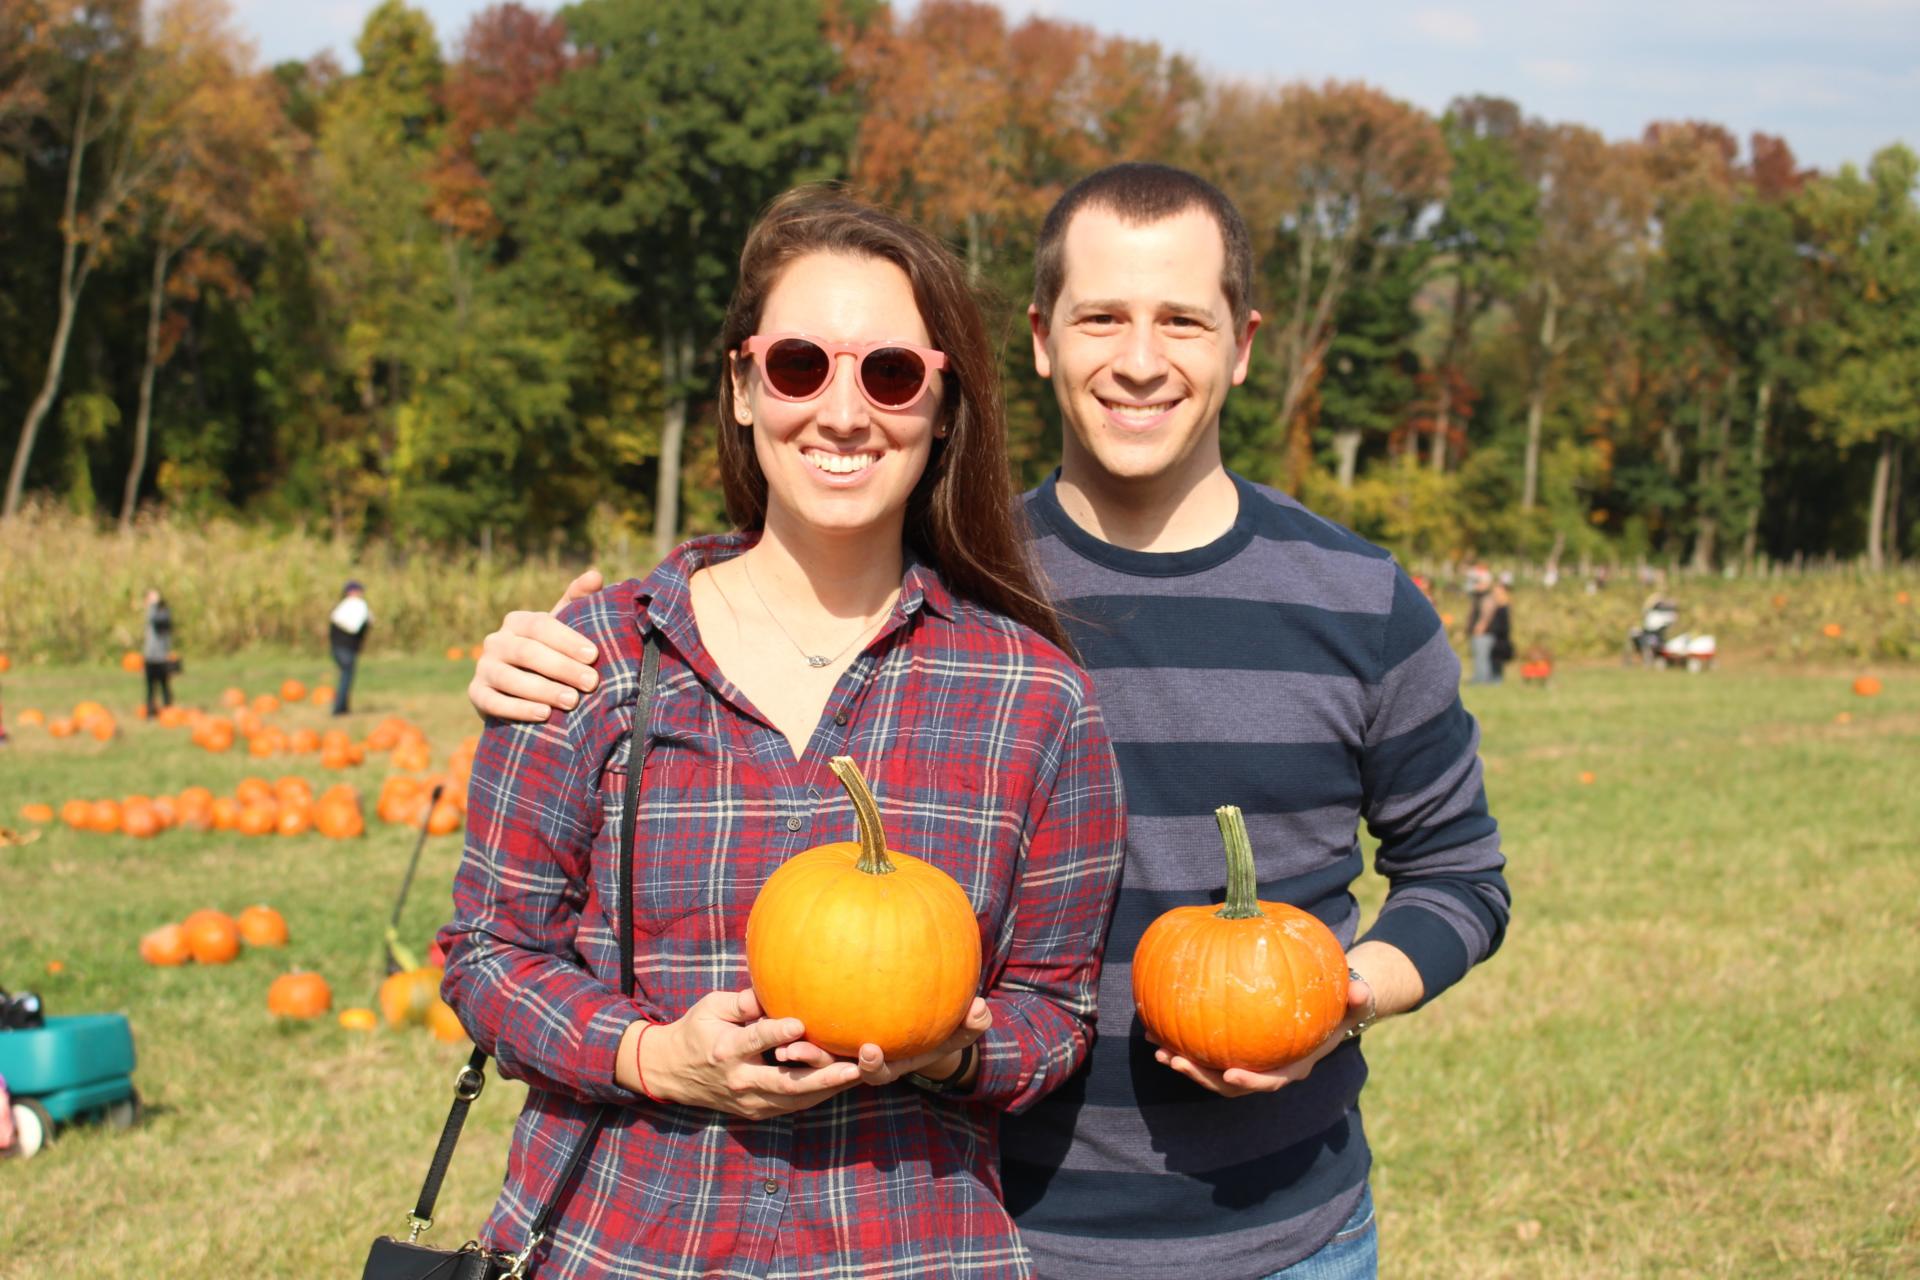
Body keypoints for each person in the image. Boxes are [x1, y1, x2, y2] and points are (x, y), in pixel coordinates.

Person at [472, 164, 1511, 1279]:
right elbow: (776, 590)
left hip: (1283, 1229)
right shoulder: (965, 579)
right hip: (1008, 1222)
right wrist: (558, 652)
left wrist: (1335, 998)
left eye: (1183, 320)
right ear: (1040, 337)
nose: (1143, 358)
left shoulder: (1353, 601)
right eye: (1103, 315)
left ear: (1244, 342)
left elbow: (1459, 873)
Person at [439, 188, 1126, 1279]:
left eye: (891, 373)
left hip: (905, 1253)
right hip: (618, 1243)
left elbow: (1055, 1011)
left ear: (945, 407)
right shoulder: (599, 657)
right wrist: (655, 1054)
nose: (845, 412)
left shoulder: (1033, 701)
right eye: (802, 363)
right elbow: (487, 951)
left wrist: (955, 1050)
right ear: (746, 386)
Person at [326, 581, 370, 715]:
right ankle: (339, 708)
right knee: (346, 676)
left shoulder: (342, 606)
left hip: (336, 647)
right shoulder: (358, 606)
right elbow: (354, 626)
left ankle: (342, 706)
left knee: (343, 675)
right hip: (346, 647)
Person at [140, 589, 175, 718]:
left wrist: (156, 603)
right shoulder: (151, 614)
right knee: (151, 688)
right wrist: (152, 605)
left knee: (164, 685)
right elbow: (152, 618)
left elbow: (161, 620)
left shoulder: (163, 615)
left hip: (162, 658)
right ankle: (150, 712)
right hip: (150, 657)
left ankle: (168, 710)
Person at [1466, 563, 1497, 684]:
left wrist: (1480, 627)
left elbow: (1486, 615)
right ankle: (1479, 678)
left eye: (1478, 582)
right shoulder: (1478, 596)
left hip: (1483, 633)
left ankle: (1482, 680)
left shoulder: (1487, 596)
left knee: (1482, 658)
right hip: (1479, 632)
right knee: (1479, 657)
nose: (1476, 585)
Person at [1488, 576, 1515, 682]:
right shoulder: (1498, 604)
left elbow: (1504, 624)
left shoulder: (1504, 605)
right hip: (1497, 635)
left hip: (1500, 636)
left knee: (1498, 659)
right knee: (1494, 659)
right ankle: (1495, 678)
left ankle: (1497, 679)